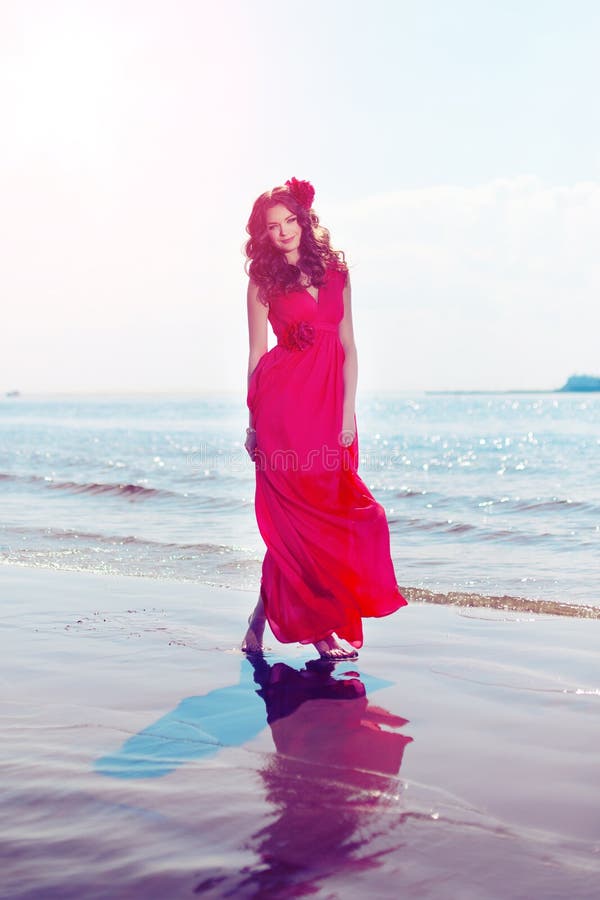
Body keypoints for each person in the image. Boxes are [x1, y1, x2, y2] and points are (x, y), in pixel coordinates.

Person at [242, 177, 407, 661]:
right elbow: (256, 354)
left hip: (331, 409)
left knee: (347, 519)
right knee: (297, 523)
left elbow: (350, 345)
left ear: (305, 220)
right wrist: (252, 422)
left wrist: (348, 412)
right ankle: (318, 631)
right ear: (264, 234)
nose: (285, 231)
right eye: (274, 226)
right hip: (283, 413)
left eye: (290, 220)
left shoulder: (337, 271)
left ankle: (259, 618)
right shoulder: (262, 282)